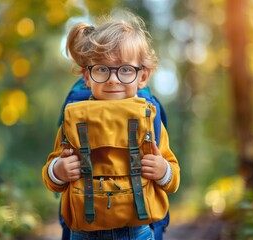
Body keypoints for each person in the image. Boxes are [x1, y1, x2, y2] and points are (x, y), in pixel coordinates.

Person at [42, 10, 180, 240]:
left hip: (136, 231)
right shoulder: (74, 118)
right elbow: (50, 175)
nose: (113, 79)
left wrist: (163, 170)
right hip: (84, 232)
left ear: (143, 77)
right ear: (87, 77)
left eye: (125, 69)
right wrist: (58, 170)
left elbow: (173, 177)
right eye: (102, 69)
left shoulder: (148, 117)